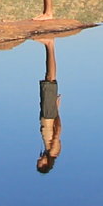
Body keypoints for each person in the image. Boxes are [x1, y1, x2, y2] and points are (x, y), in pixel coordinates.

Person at [35, 37, 61, 174]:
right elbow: (58, 131)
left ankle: (48, 45)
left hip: (46, 114)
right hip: (49, 114)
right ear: (46, 164)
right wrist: (56, 109)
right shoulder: (53, 152)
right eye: (40, 163)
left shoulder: (47, 150)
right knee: (50, 80)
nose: (39, 160)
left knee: (47, 80)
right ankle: (50, 44)